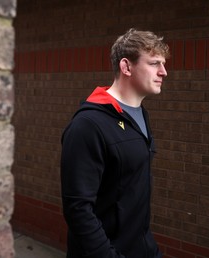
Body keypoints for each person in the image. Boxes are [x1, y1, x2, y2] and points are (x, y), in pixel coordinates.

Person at [61, 28, 170, 258]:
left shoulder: (140, 116)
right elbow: (78, 210)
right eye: (154, 63)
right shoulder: (88, 125)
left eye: (163, 63)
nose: (164, 72)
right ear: (126, 66)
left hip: (142, 247)